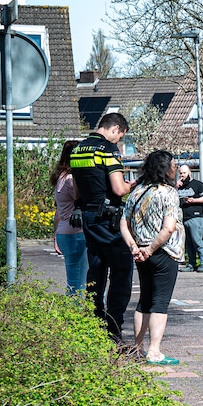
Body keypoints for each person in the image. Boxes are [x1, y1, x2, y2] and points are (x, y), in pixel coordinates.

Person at [120, 150, 185, 365]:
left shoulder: (137, 191)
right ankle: (154, 351)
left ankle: (137, 349)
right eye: (173, 164)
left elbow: (124, 223)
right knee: (160, 302)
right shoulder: (169, 193)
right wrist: (150, 249)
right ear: (165, 168)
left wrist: (134, 247)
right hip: (163, 252)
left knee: (144, 301)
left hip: (140, 253)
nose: (175, 168)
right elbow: (168, 228)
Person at [71, 112, 132, 343]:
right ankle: (113, 328)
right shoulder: (107, 149)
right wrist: (132, 185)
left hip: (88, 217)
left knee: (95, 271)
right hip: (109, 219)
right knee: (121, 272)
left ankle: (93, 322)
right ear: (115, 128)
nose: (118, 142)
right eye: (120, 137)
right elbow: (117, 189)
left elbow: (76, 189)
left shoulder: (78, 150)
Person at [51, 139, 86, 295]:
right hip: (77, 233)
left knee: (73, 280)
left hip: (64, 231)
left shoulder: (61, 178)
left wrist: (55, 236)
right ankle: (76, 315)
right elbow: (86, 201)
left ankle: (70, 313)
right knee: (80, 281)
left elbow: (58, 212)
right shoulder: (72, 180)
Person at [175, 164, 203, 272]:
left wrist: (193, 200)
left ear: (189, 172)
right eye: (180, 173)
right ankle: (191, 264)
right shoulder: (179, 187)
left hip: (195, 216)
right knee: (188, 243)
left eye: (184, 173)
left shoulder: (197, 184)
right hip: (183, 218)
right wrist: (175, 187)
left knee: (197, 240)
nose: (182, 175)